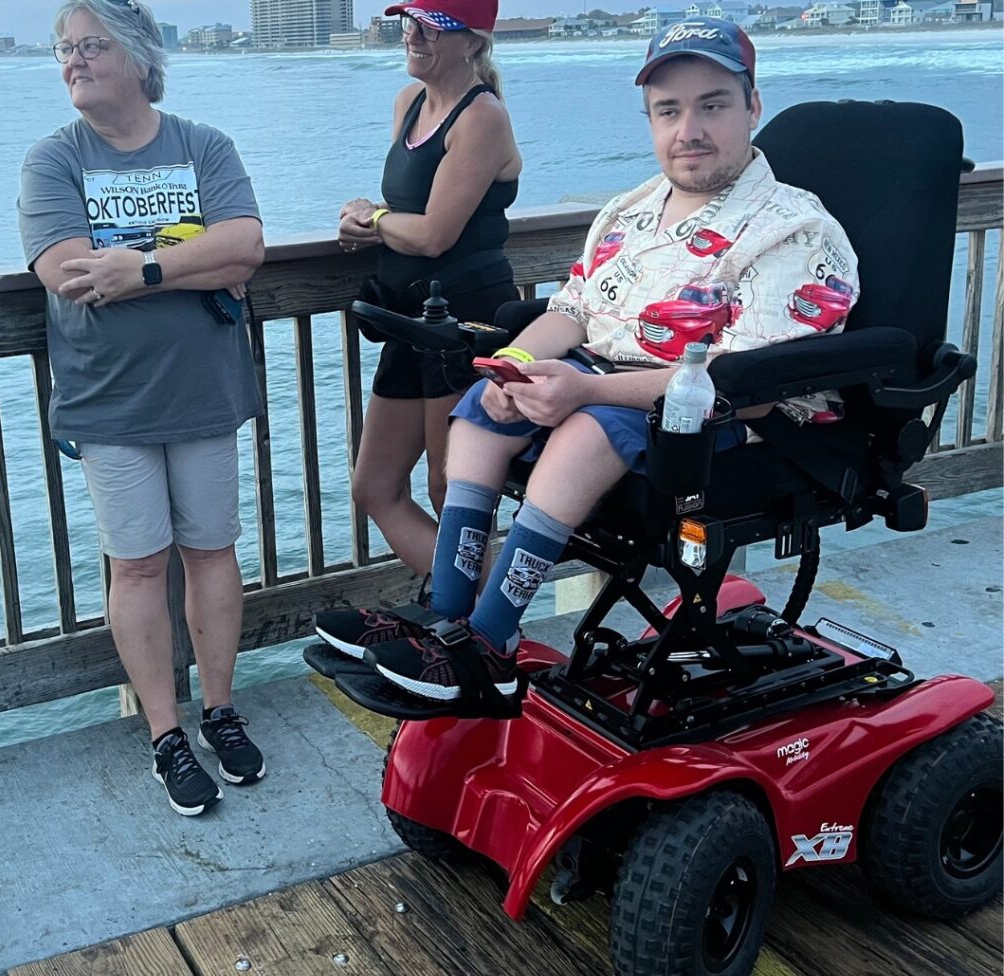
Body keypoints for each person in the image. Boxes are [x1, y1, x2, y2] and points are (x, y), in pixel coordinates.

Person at [316, 18, 859, 710]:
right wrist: (514, 365)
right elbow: (572, 313)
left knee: (589, 425)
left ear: (753, 107)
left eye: (712, 104)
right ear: (651, 119)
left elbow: (742, 383)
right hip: (597, 381)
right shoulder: (631, 211)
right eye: (669, 110)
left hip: (723, 418)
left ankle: (492, 643)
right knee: (482, 408)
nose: (688, 128)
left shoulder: (796, 229)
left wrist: (577, 392)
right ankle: (447, 618)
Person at [18, 0, 266, 815]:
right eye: (64, 50)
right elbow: (68, 272)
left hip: (204, 392)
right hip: (108, 400)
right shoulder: (52, 160)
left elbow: (247, 248)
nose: (73, 62)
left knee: (211, 550)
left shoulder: (204, 144)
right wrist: (193, 258)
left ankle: (220, 711)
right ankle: (166, 734)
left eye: (89, 46)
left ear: (135, 57)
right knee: (136, 564)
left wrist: (145, 270)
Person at [335, 0, 523, 577]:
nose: (412, 34)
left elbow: (436, 234)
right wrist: (372, 218)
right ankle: (469, 623)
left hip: (464, 322)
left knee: (452, 491)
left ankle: (483, 640)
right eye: (407, 22)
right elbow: (407, 214)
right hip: (408, 318)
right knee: (375, 487)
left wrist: (372, 221)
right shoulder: (408, 103)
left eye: (430, 26)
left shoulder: (481, 116)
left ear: (472, 42)